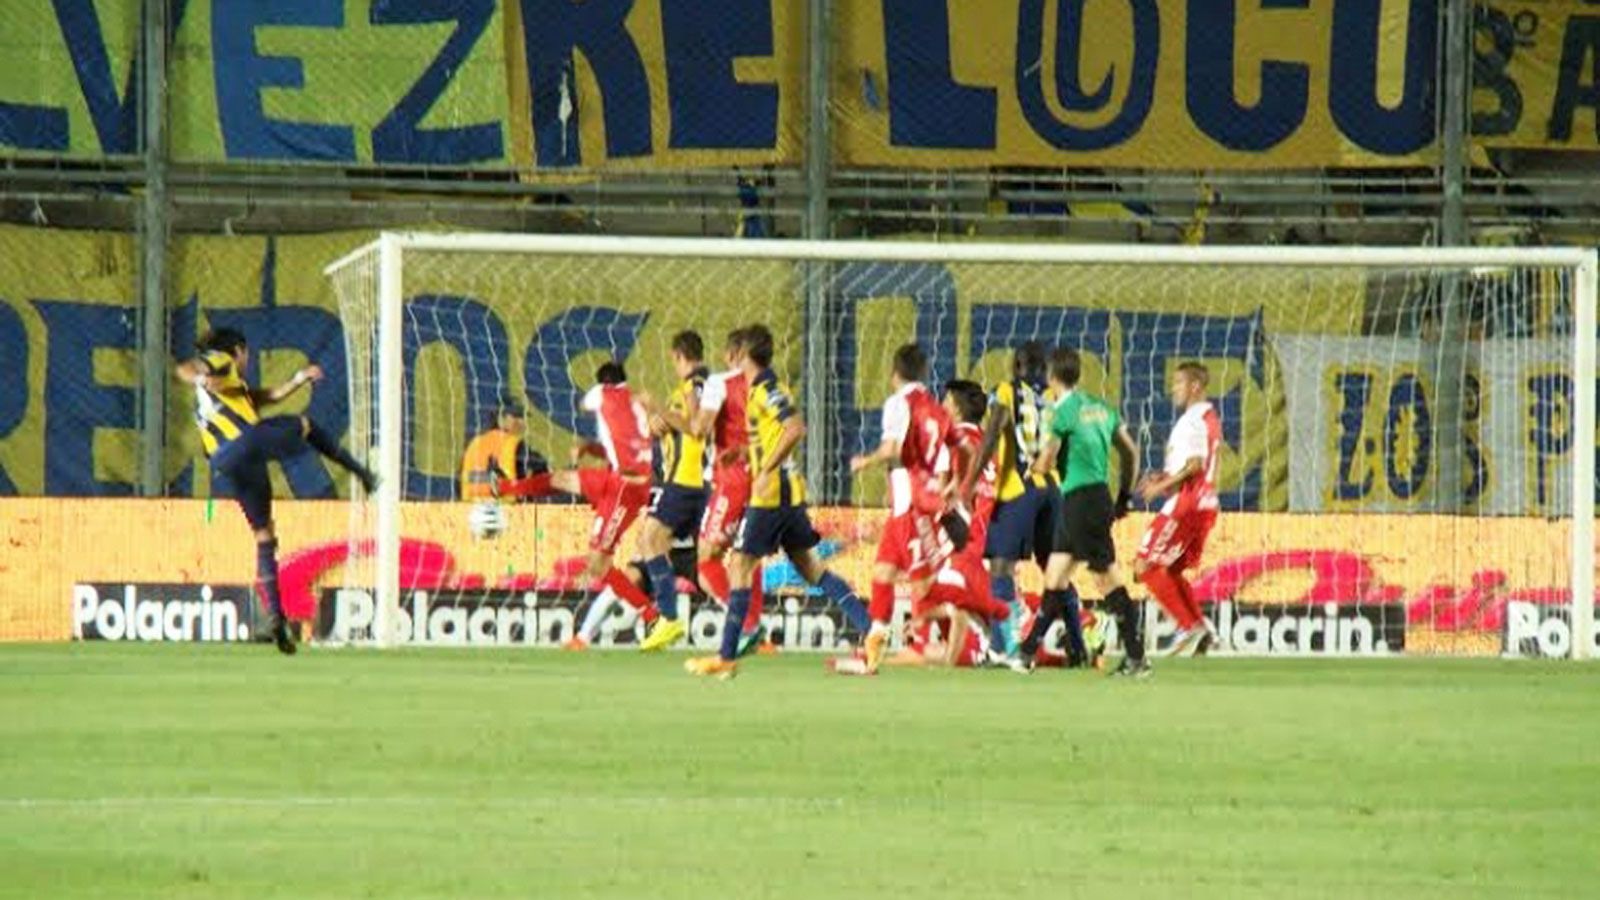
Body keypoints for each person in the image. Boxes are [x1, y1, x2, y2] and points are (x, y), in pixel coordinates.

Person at [174, 327, 377, 655]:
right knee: (305, 426)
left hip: (227, 464)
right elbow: (187, 369)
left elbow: (269, 397)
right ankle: (362, 473)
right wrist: (199, 377)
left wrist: (298, 379)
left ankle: (276, 618)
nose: (247, 360)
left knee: (264, 534)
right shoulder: (222, 360)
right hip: (244, 443)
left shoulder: (232, 389)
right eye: (247, 354)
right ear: (238, 350)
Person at [684, 324, 870, 679]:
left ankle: (735, 642)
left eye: (731, 352)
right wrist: (745, 451)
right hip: (773, 486)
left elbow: (792, 427)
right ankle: (872, 628)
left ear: (738, 354)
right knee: (805, 567)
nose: (728, 359)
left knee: (728, 561)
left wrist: (766, 465)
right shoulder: (759, 388)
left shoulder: (752, 385)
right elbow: (770, 433)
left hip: (762, 488)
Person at [1013, 348, 1147, 677]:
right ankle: (1027, 653)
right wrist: (1125, 495)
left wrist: (1031, 464)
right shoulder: (1100, 408)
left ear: (1051, 377)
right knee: (1056, 576)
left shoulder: (1063, 413)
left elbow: (1046, 462)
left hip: (1081, 500)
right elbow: (1131, 451)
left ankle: (1137, 657)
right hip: (1093, 496)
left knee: (1106, 578)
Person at [499, 361, 657, 625]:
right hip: (618, 478)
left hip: (626, 489)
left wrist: (598, 401)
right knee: (561, 479)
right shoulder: (637, 403)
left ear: (604, 383)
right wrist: (589, 447)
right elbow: (619, 449)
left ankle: (652, 615)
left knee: (597, 564)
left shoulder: (605, 394)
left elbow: (585, 403)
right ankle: (507, 488)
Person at [847, 343, 955, 672]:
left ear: (894, 374)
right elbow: (944, 459)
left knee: (922, 577)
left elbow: (892, 448)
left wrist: (863, 461)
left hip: (913, 503)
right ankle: (875, 643)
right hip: (919, 499)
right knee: (883, 572)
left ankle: (935, 645)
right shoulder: (937, 408)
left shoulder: (899, 403)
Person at [963, 342, 1058, 654]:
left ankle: (1003, 645)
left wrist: (968, 486)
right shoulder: (1054, 397)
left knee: (1001, 567)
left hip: (1018, 488)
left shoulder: (1006, 391)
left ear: (1017, 366)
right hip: (1053, 488)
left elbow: (990, 438)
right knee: (1056, 568)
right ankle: (1079, 641)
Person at [1135, 362, 1223, 657]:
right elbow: (1196, 466)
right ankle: (1200, 630)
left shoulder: (1194, 420)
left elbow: (1195, 464)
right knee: (1170, 569)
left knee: (1145, 566)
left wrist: (1161, 488)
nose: (1174, 389)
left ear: (1195, 386)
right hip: (1204, 503)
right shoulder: (1209, 418)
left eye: (1179, 383)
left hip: (1187, 504)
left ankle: (1188, 626)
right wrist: (1164, 478)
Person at [690, 327, 768, 657]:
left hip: (731, 480)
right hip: (762, 477)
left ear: (736, 354)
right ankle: (757, 630)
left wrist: (669, 413)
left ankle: (748, 623)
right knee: (748, 554)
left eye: (727, 352)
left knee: (706, 559)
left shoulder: (719, 383)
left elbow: (699, 428)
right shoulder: (769, 386)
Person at [636, 331, 711, 651]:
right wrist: (658, 423)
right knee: (709, 560)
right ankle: (748, 624)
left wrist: (656, 408)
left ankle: (668, 617)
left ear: (677, 356)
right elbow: (679, 426)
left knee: (650, 539)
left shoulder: (696, 383)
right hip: (694, 481)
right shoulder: (696, 386)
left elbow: (694, 426)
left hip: (686, 480)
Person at [458, 399, 547, 501]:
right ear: (501, 418)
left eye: (522, 417)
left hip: (469, 510)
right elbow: (540, 466)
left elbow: (461, 478)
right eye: (516, 417)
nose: (522, 422)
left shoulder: (474, 444)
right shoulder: (512, 443)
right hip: (506, 510)